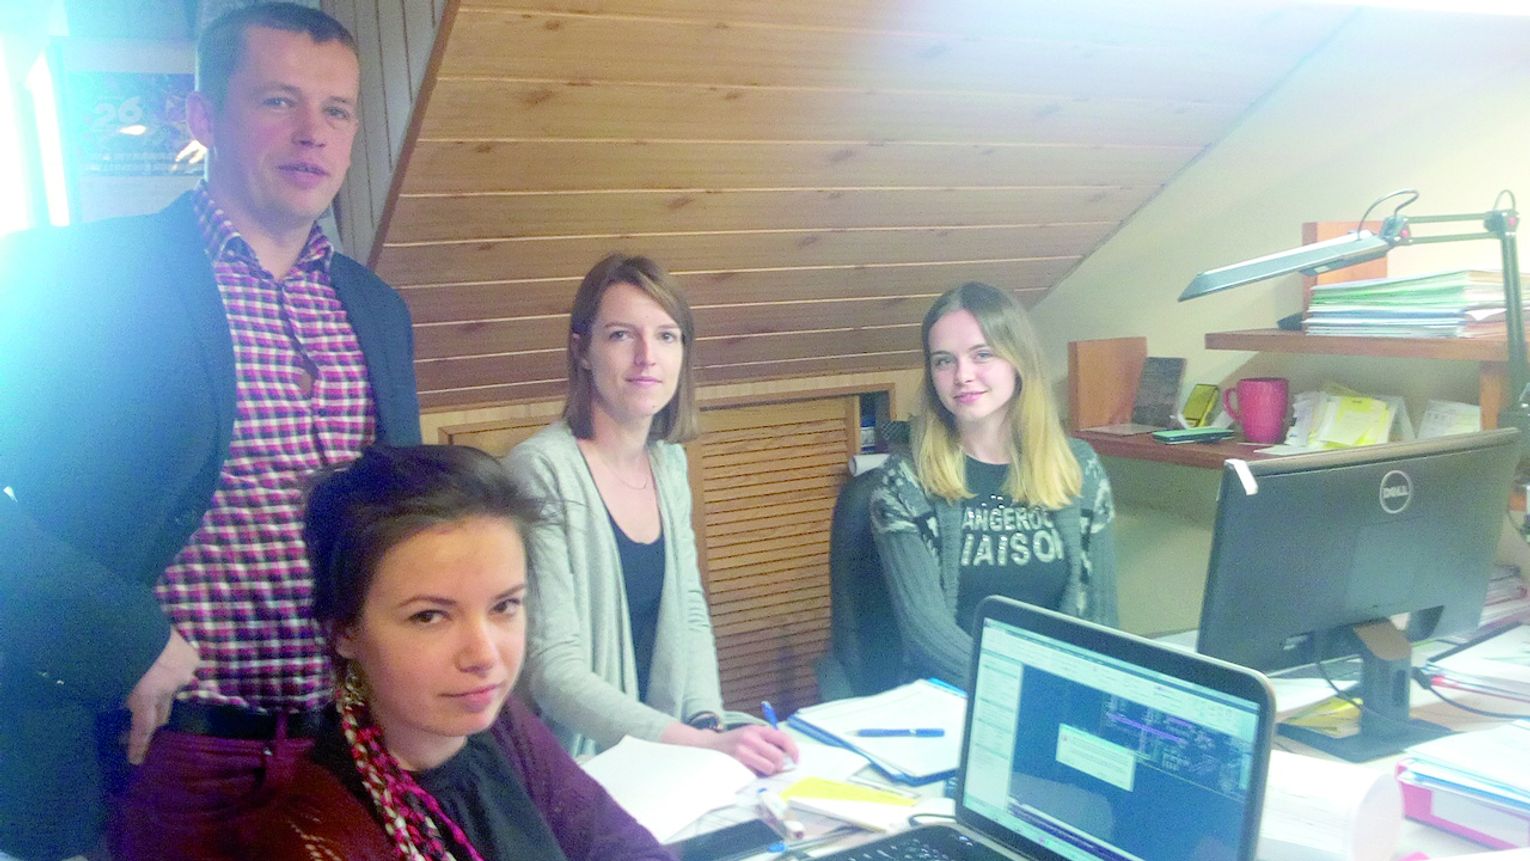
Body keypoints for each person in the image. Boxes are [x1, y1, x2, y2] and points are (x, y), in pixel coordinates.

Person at [0, 5, 420, 859]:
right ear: (202, 117)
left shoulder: (378, 308)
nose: (313, 133)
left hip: (340, 749)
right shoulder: (74, 275)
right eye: (278, 100)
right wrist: (119, 635)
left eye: (337, 110)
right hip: (154, 751)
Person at [238, 444, 670, 860]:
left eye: (504, 606)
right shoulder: (317, 837)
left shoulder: (504, 726)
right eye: (429, 616)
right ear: (344, 631)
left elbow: (622, 845)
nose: (484, 656)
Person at [504, 254, 797, 774]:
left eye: (666, 336)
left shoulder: (669, 462)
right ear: (583, 351)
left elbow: (689, 610)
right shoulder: (541, 470)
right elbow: (553, 670)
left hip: (673, 752)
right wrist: (696, 745)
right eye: (621, 335)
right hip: (584, 764)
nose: (647, 357)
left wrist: (708, 724)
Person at [869, 282, 1118, 687]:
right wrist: (1021, 688)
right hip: (955, 696)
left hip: (1059, 691)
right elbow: (928, 637)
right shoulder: (905, 482)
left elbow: (1101, 619)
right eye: (944, 361)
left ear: (1018, 360)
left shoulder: (1079, 468)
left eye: (982, 354)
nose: (962, 376)